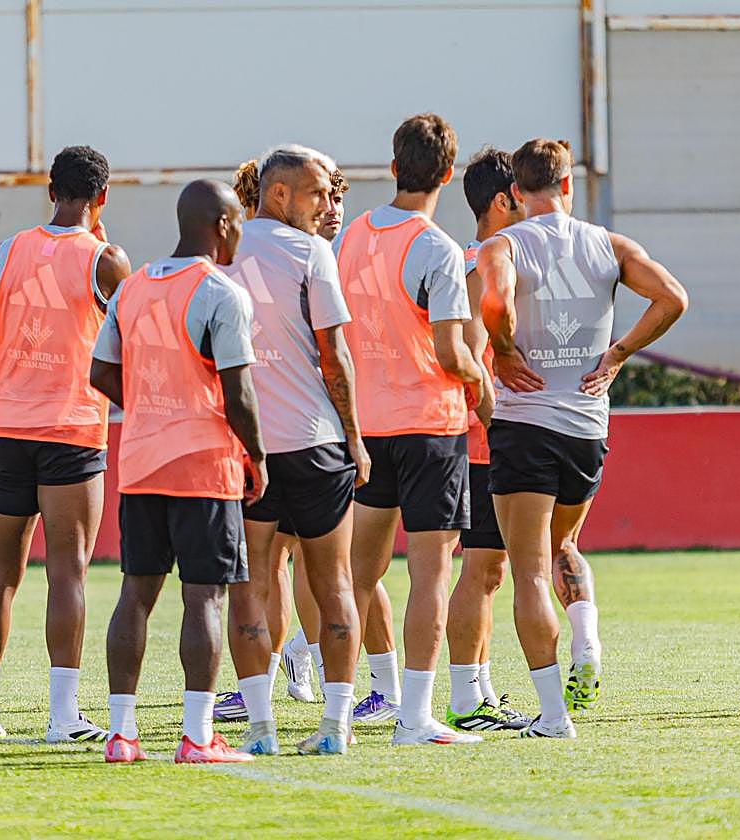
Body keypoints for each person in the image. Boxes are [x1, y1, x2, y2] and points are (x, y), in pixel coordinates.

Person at [479, 138, 688, 738]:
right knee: (564, 544)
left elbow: (494, 298)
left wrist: (502, 347)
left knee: (529, 575)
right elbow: (673, 297)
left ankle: (551, 715)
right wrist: (619, 352)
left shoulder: (505, 242)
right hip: (587, 431)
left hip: (526, 424)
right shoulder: (609, 244)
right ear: (568, 186)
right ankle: (586, 638)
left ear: (515, 192)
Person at [212, 165, 399, 721]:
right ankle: (294, 681)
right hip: (314, 435)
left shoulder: (325, 255)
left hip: (295, 435)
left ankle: (371, 684)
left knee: (339, 572)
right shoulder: (305, 256)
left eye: (336, 198)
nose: (330, 209)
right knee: (305, 571)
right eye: (322, 197)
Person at [0, 146, 131, 742]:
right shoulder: (105, 259)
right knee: (68, 574)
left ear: (50, 189)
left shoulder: (6, 252)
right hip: (72, 434)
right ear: (102, 197)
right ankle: (62, 716)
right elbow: (130, 346)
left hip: (8, 432)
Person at [89, 178, 266, 764]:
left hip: (140, 462)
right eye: (238, 220)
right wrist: (257, 458)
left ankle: (121, 735)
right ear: (220, 224)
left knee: (135, 595)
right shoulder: (221, 292)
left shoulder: (132, 287)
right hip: (202, 465)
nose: (240, 230)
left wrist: (144, 406)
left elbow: (101, 372)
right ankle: (196, 737)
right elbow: (239, 394)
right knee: (204, 599)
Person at [336, 113, 487, 746]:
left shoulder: (349, 237)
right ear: (448, 176)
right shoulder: (437, 249)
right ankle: (416, 717)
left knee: (354, 577)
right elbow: (452, 352)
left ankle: (338, 708)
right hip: (430, 427)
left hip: (368, 429)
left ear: (394, 166)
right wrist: (487, 396)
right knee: (429, 576)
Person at [444, 148, 531, 732]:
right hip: (480, 442)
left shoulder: (486, 260)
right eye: (523, 196)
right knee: (480, 569)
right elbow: (471, 358)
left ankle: (477, 691)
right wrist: (499, 427)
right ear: (502, 202)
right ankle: (465, 698)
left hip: (482, 439)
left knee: (489, 569)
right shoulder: (478, 267)